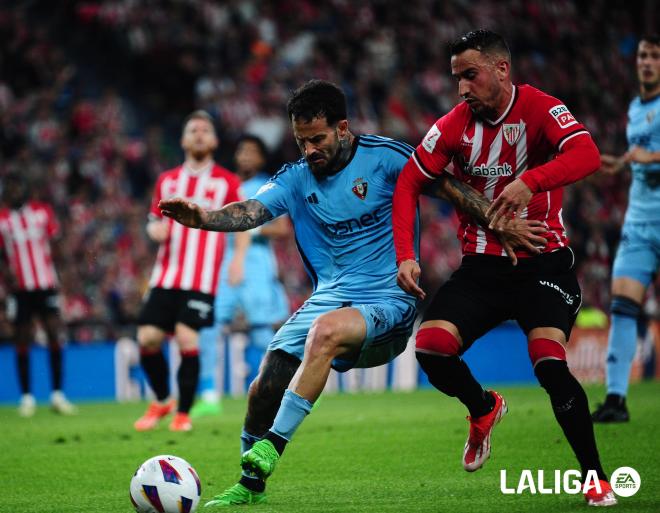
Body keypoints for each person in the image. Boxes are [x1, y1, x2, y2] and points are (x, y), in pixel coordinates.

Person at [159, 79, 545, 506]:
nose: (309, 150)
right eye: (301, 141)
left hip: (389, 299)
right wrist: (203, 218)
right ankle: (249, 485)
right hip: (330, 297)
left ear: (343, 128)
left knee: (324, 333)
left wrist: (498, 222)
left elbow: (448, 186)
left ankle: (271, 448)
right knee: (263, 388)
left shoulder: (386, 158)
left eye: (318, 139)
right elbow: (250, 211)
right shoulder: (296, 177)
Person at [392, 30, 616, 507]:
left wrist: (530, 182)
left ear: (500, 69)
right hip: (482, 269)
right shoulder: (453, 125)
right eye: (456, 78)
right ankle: (483, 407)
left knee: (549, 364)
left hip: (544, 263)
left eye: (470, 76)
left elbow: (588, 154)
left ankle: (594, 478)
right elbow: (409, 182)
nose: (462, 89)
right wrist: (405, 254)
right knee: (430, 349)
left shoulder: (539, 109)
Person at [133, 110, 249, 432]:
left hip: (201, 280)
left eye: (205, 130)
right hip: (166, 275)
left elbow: (241, 222)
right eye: (192, 129)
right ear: (183, 139)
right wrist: (154, 230)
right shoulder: (167, 180)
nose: (198, 133)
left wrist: (238, 259)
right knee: (147, 337)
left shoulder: (227, 182)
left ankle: (183, 413)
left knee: (186, 337)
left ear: (213, 140)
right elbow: (154, 220)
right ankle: (161, 400)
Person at [191, 135, 290, 418]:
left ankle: (292, 384)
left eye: (252, 152)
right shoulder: (224, 184)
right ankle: (209, 395)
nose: (245, 156)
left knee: (261, 331)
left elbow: (282, 228)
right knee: (209, 324)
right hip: (222, 267)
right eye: (241, 150)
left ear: (260, 158)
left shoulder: (267, 186)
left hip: (256, 267)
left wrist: (249, 227)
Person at [591, 34, 660, 423]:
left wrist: (651, 156)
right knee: (622, 305)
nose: (646, 63)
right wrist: (621, 163)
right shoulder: (635, 107)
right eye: (642, 56)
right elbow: (640, 158)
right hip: (639, 221)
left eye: (654, 56)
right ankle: (616, 399)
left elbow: (649, 154)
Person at [0, 173, 76, 417]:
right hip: (20, 290)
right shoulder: (2, 220)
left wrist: (63, 277)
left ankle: (57, 394)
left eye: (18, 186)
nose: (15, 192)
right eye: (10, 188)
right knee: (22, 338)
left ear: (24, 189)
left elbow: (56, 245)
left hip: (45, 284)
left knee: (54, 333)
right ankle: (27, 397)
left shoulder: (42, 212)